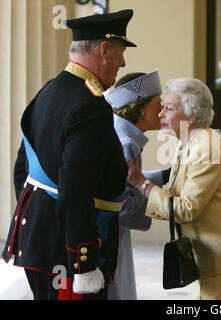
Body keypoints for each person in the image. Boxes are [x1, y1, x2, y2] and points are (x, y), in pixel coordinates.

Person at [1, 10, 137, 300]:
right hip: (67, 255)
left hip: (43, 241)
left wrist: (38, 218)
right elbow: (75, 189)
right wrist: (84, 263)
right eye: (121, 52)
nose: (122, 63)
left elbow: (22, 167)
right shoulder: (90, 105)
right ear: (104, 49)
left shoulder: (50, 90)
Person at [126, 77, 221, 300]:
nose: (161, 114)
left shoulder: (206, 148)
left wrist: (142, 185)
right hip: (210, 257)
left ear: (192, 115)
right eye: (162, 105)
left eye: (170, 108)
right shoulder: (191, 142)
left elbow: (186, 209)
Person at [104, 70, 169, 300]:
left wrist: (166, 175)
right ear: (140, 107)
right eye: (158, 104)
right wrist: (156, 195)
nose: (162, 111)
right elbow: (123, 205)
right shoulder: (127, 143)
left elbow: (131, 181)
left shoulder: (120, 132)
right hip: (109, 240)